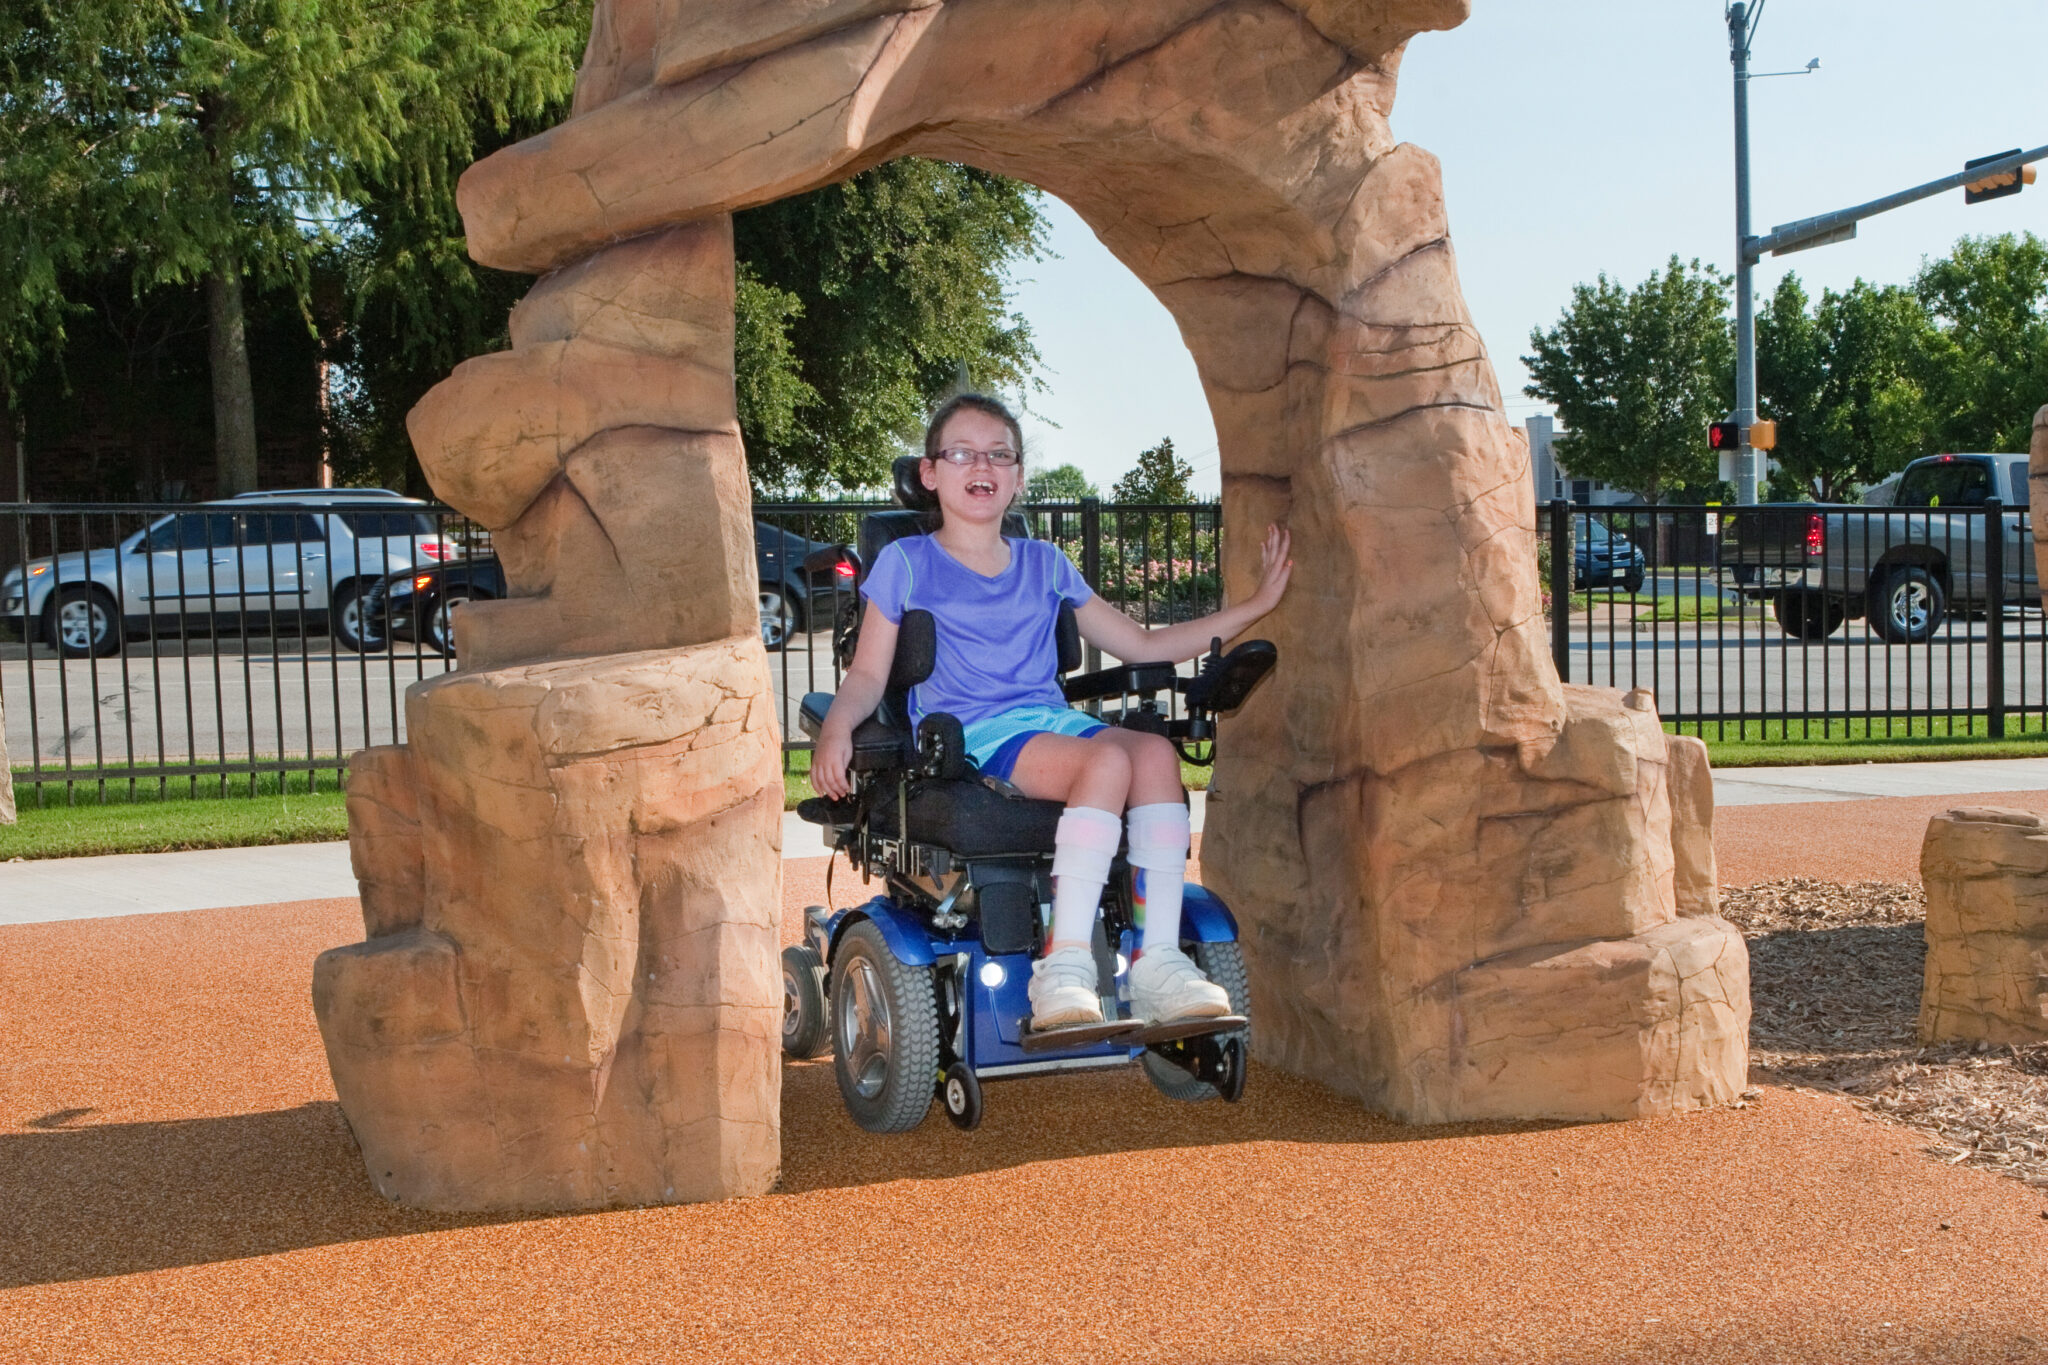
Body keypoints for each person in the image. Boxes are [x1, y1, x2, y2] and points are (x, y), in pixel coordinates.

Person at [813, 394, 1292, 1031]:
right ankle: (1062, 967)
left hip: (1051, 721)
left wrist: (1256, 607)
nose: (981, 466)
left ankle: (1156, 962)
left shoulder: (1046, 563)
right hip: (973, 733)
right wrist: (837, 728)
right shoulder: (906, 562)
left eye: (999, 455)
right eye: (962, 453)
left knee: (1153, 753)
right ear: (930, 473)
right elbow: (870, 674)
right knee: (1106, 764)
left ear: (1017, 476)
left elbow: (1141, 644)